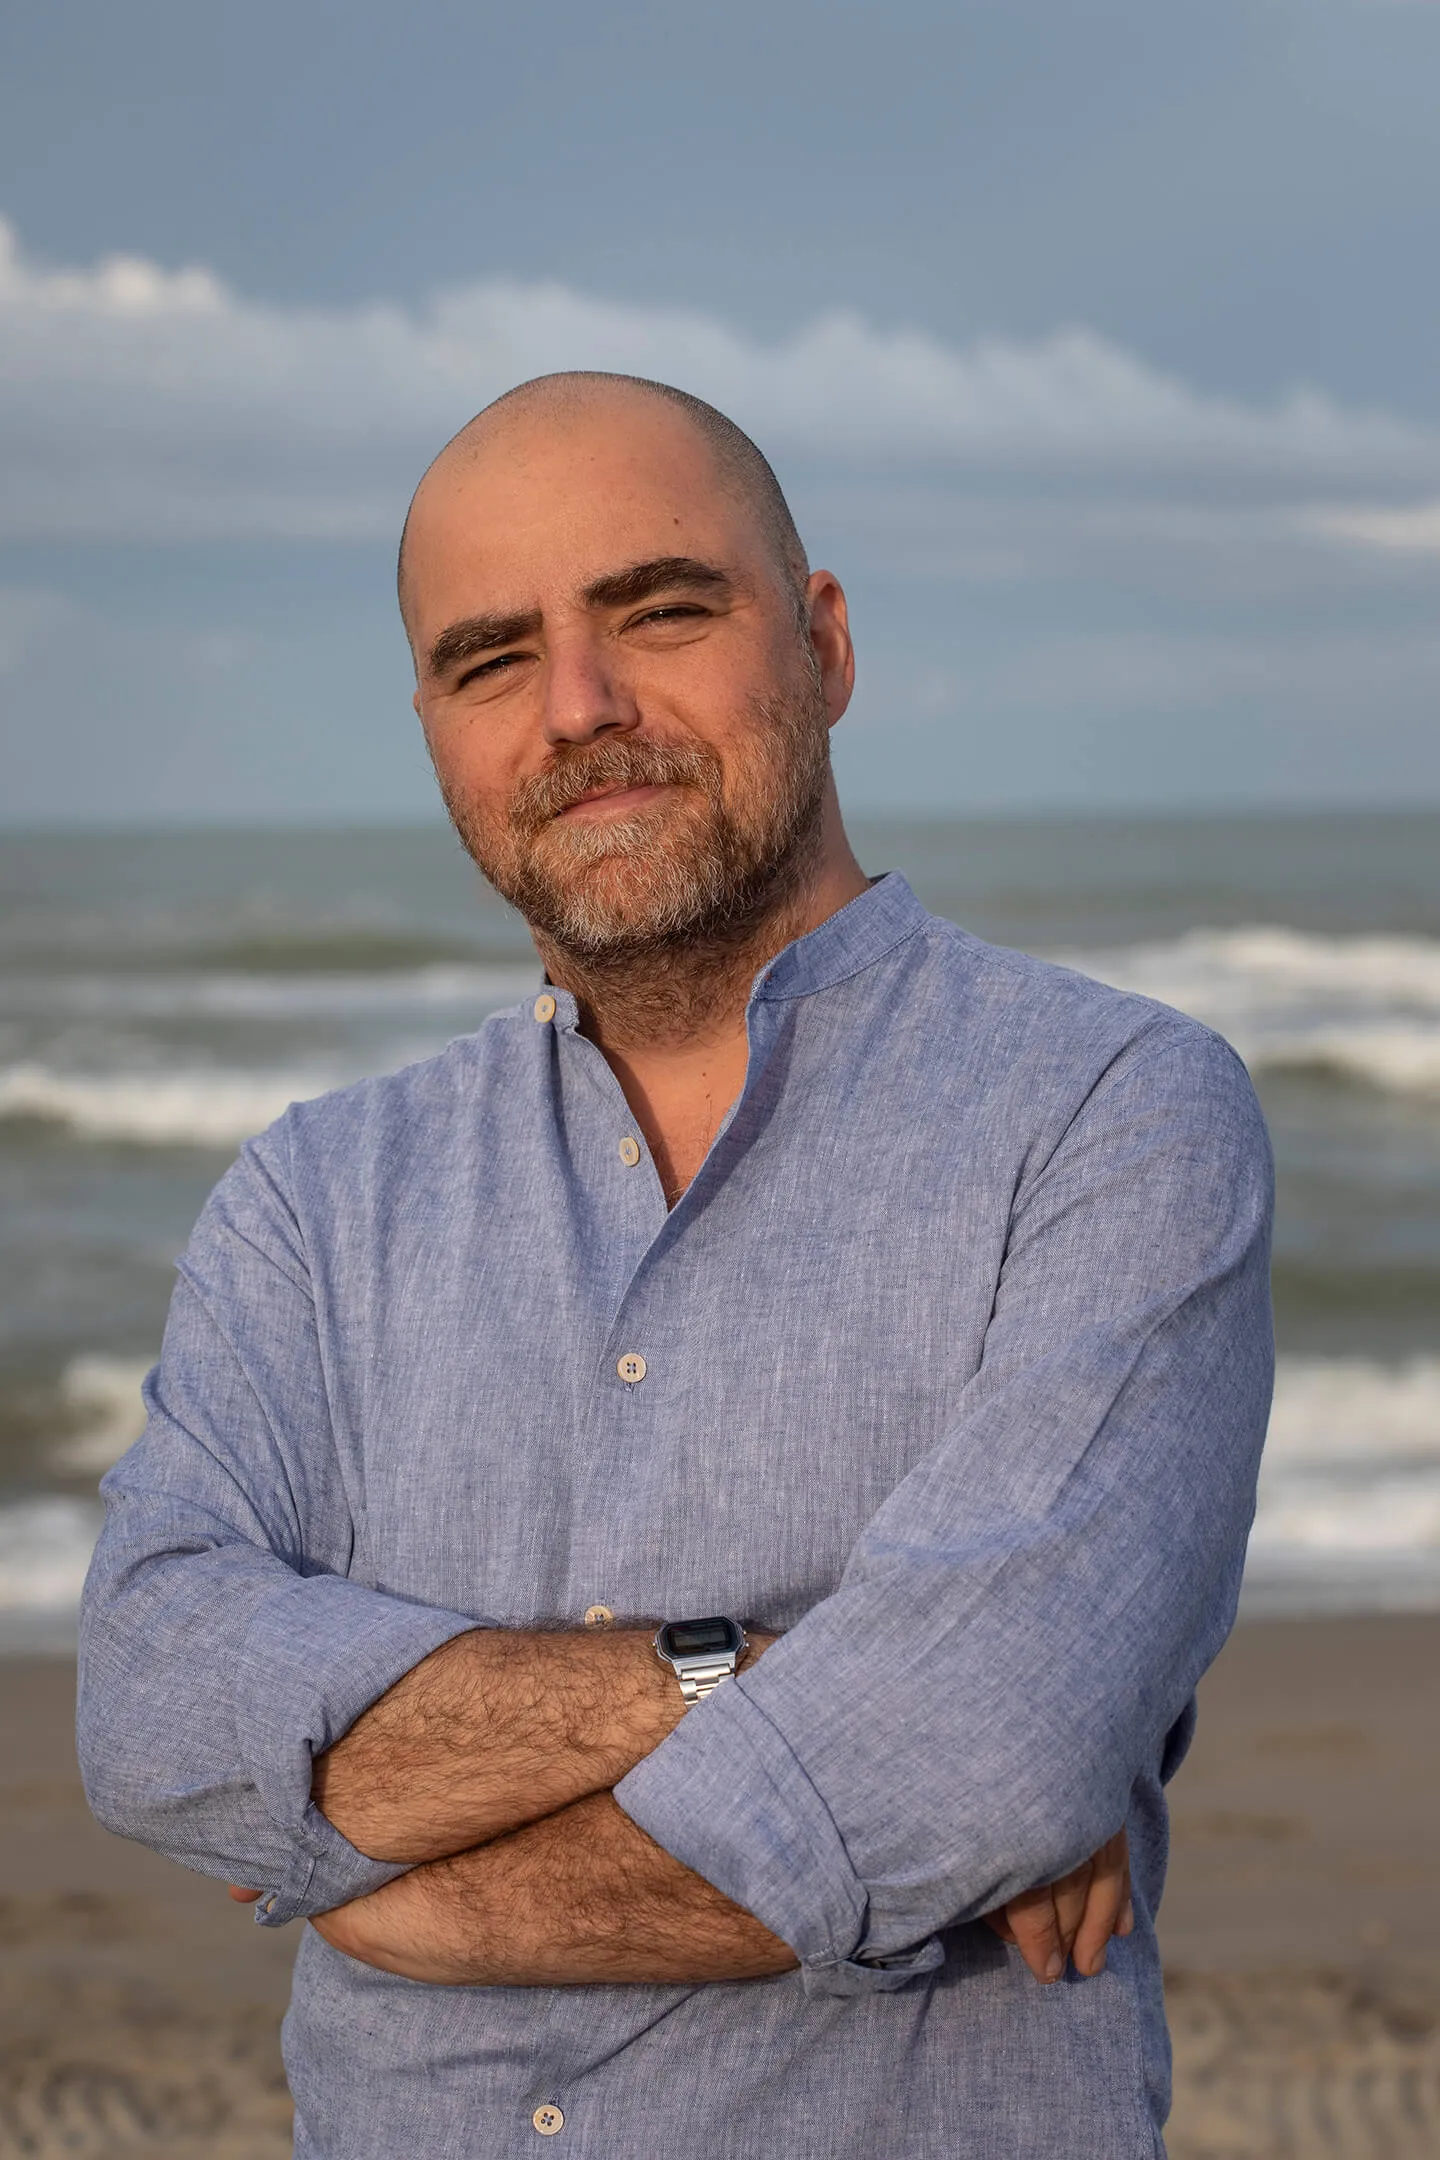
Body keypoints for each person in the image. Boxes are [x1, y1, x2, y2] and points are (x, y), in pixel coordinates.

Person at [78, 372, 1273, 2158]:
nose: (579, 708)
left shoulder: (1112, 1115)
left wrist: (400, 1896)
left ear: (824, 644)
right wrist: (746, 1679)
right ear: (433, 727)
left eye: (659, 611)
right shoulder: (314, 1202)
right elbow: (155, 1703)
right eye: (493, 659)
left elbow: (980, 1758)